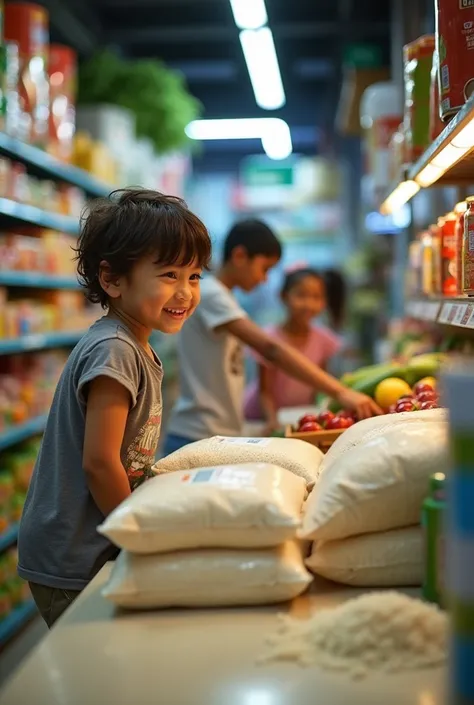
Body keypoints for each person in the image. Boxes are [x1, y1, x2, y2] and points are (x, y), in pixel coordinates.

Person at [17, 189, 211, 627]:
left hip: (91, 540)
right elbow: (101, 464)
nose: (184, 293)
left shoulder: (132, 343)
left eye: (194, 276)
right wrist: (138, 540)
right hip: (74, 552)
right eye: (168, 275)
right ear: (112, 279)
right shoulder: (115, 350)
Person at [163, 219, 381, 455]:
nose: (264, 278)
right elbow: (271, 350)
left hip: (212, 435)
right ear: (239, 256)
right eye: (264, 268)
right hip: (197, 436)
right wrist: (341, 392)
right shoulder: (213, 293)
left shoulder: (224, 296)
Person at [244, 268, 342, 429]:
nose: (308, 304)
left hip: (298, 416)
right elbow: (265, 391)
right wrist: (271, 420)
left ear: (324, 302)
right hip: (261, 418)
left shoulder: (324, 340)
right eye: (301, 295)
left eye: (316, 297)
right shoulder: (268, 340)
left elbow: (321, 383)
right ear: (283, 296)